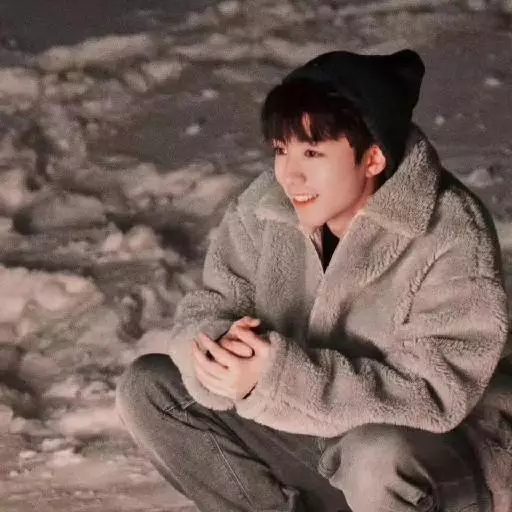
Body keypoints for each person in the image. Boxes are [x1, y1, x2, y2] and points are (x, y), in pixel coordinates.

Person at [116, 49, 512, 512]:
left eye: (312, 152)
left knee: (374, 455)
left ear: (374, 157)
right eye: (282, 150)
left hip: (435, 464)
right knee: (149, 388)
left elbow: (435, 394)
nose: (290, 174)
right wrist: (222, 351)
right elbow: (213, 304)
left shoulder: (448, 228)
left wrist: (277, 377)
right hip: (317, 446)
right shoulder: (263, 207)